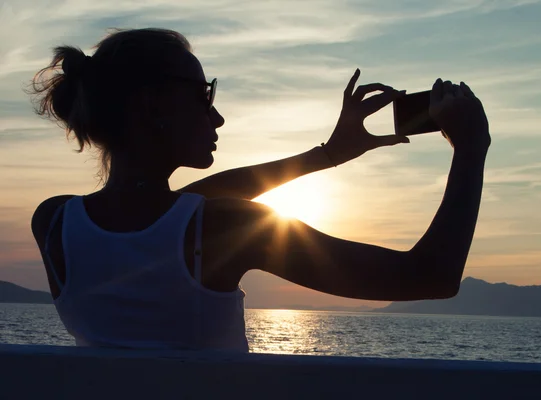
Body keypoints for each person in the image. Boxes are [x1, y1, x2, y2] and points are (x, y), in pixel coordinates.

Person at [29, 28, 490, 351]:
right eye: (203, 95)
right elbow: (432, 277)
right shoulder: (225, 226)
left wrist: (328, 154)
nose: (217, 117)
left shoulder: (53, 223)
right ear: (153, 105)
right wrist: (471, 147)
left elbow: (180, 208)